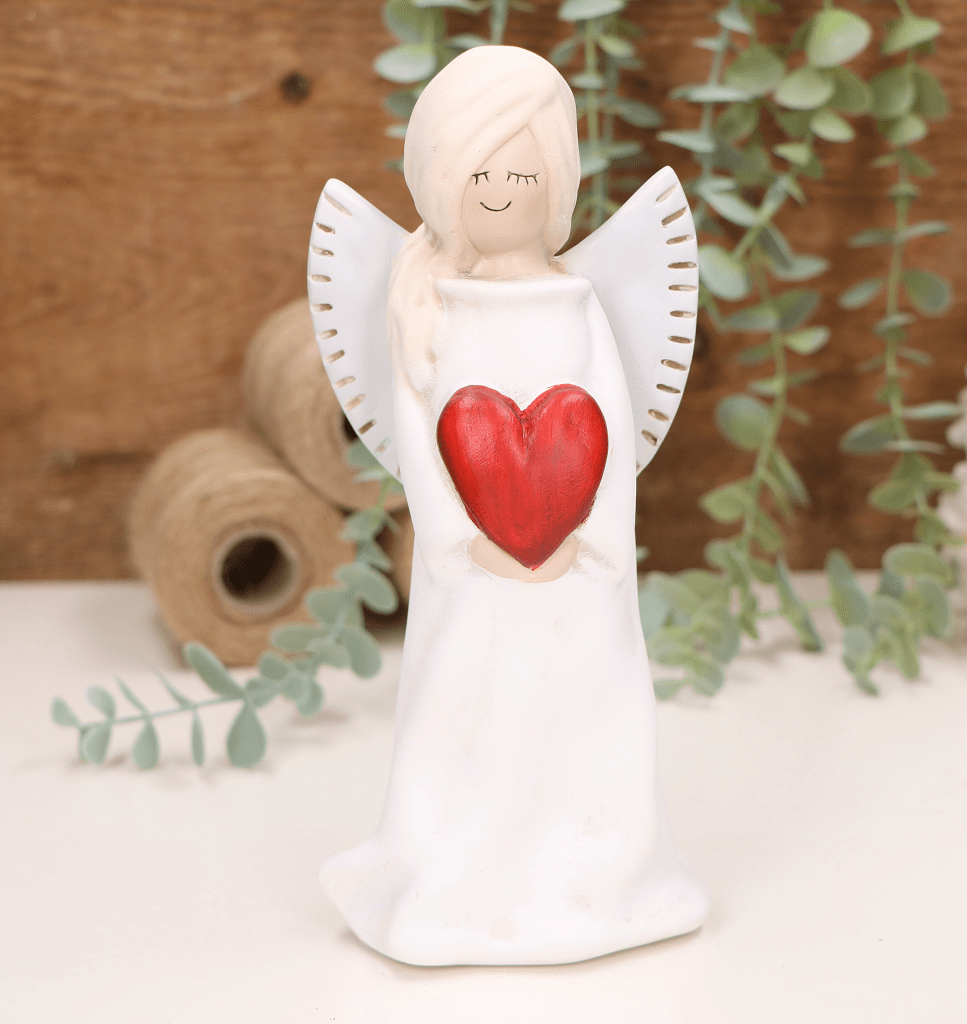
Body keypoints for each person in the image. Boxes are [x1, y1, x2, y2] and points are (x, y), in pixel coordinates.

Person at [318, 44, 709, 967]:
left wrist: (585, 543)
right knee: (472, 715)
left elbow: (608, 426)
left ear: (556, 182)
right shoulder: (430, 310)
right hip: (475, 581)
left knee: (583, 713)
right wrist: (464, 544)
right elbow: (422, 441)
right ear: (442, 182)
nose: (498, 193)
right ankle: (457, 883)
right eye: (478, 174)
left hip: (576, 578)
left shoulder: (579, 307)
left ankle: (599, 876)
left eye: (521, 175)